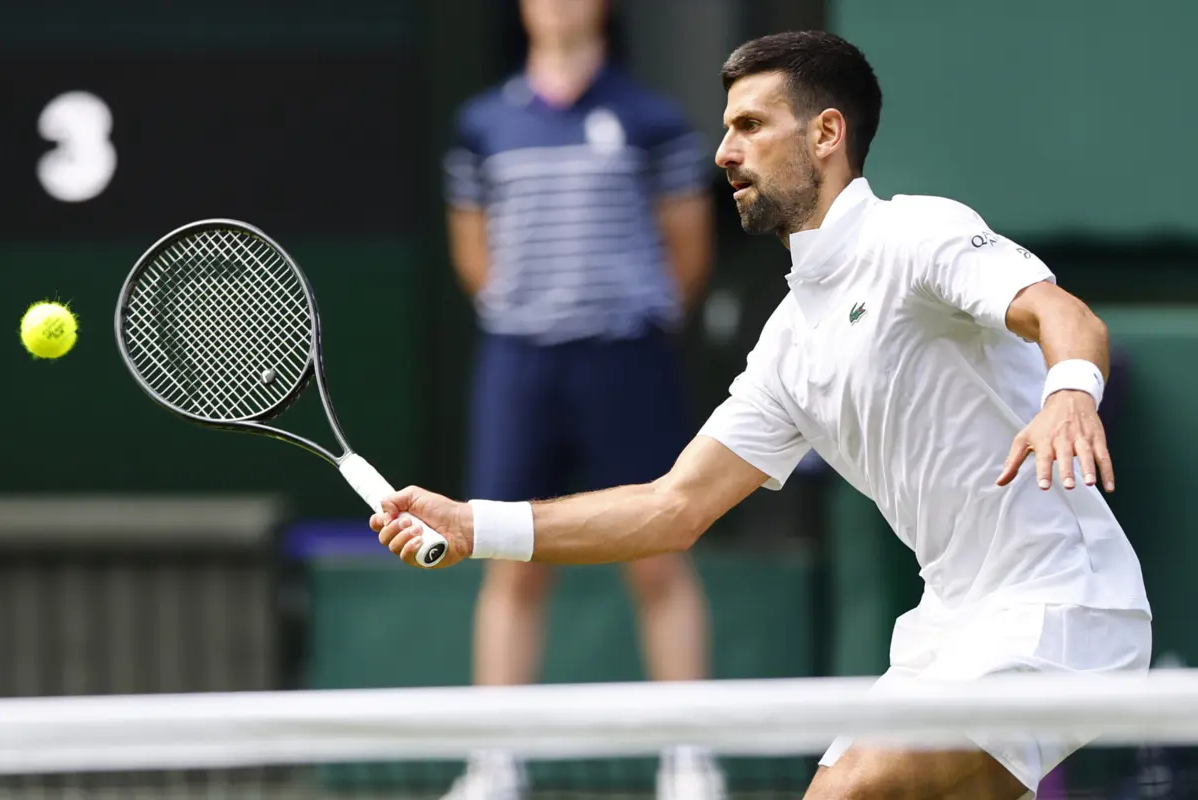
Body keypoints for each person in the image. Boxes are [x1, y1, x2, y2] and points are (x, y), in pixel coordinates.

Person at [390, 29, 1152, 800]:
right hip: (946, 628)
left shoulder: (918, 234)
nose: (724, 151)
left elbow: (1067, 316)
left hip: (1062, 607)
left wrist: (1068, 394)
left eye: (751, 125)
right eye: (726, 128)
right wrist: (473, 526)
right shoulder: (787, 345)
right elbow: (670, 508)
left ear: (826, 134)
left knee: (843, 792)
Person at [438, 1, 721, 798]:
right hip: (519, 367)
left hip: (626, 362)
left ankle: (689, 759)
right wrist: (533, 314)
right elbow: (472, 251)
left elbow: (687, 251)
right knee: (507, 559)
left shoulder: (653, 119)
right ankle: (494, 764)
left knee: (659, 554)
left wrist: (621, 317)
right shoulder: (481, 124)